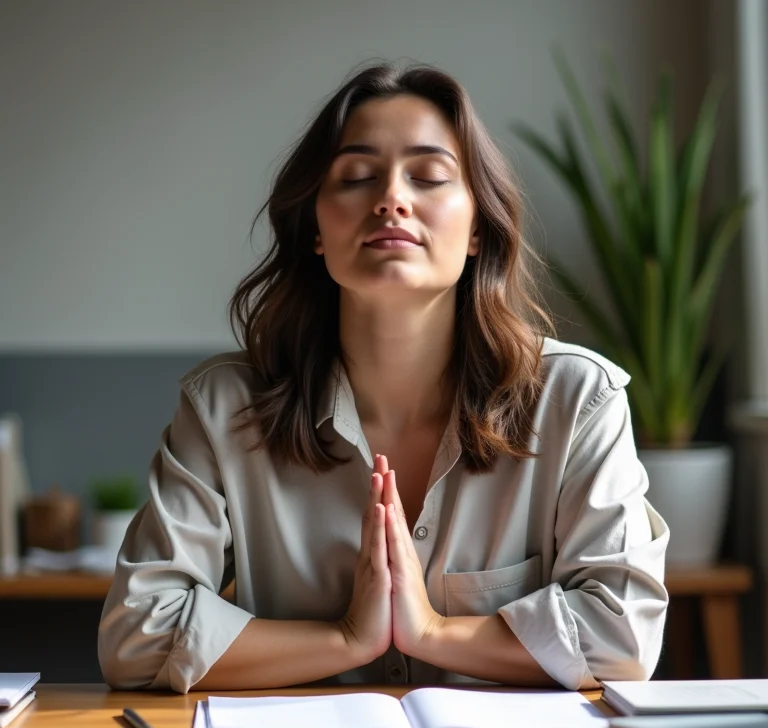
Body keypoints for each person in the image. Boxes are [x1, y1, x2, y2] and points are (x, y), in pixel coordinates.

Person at [98, 62, 669, 694]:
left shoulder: (577, 400)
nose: (391, 198)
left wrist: (430, 634)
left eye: (428, 176)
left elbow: (623, 638)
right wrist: (346, 638)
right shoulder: (222, 407)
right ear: (316, 227)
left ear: (478, 227)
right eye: (358, 176)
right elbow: (136, 636)